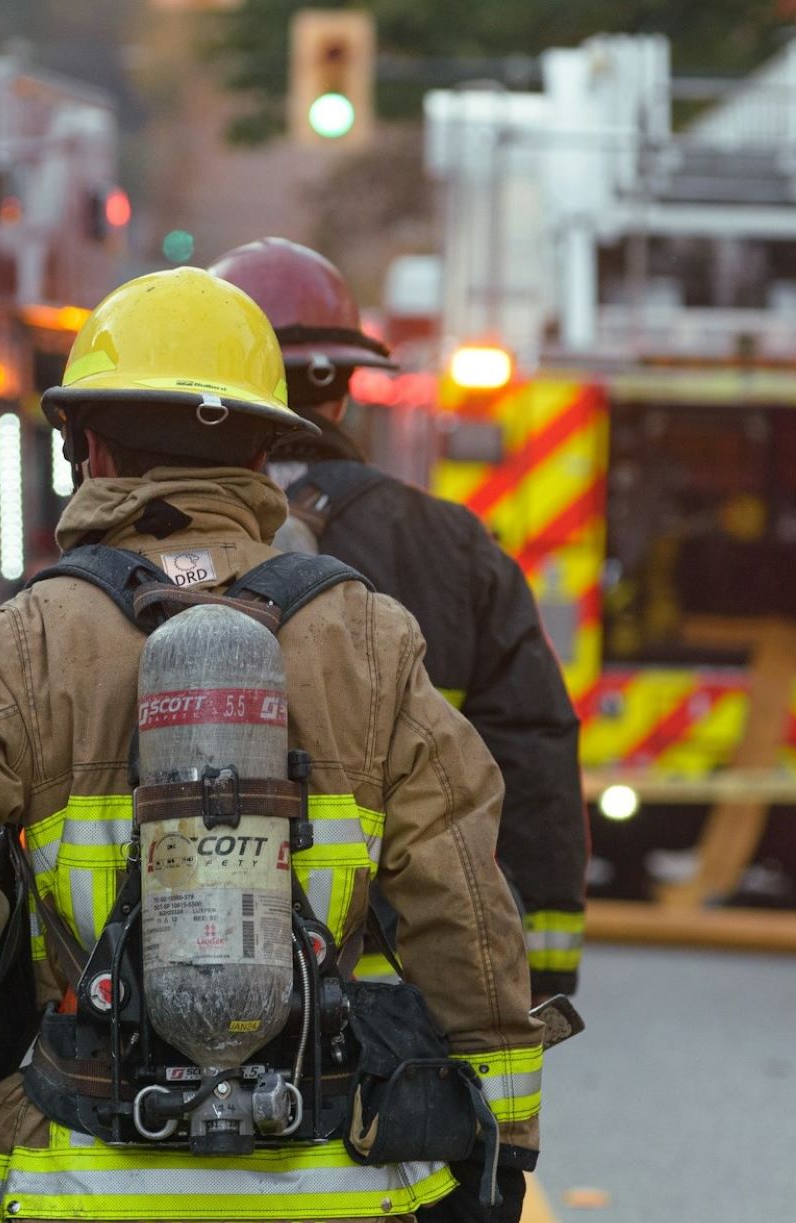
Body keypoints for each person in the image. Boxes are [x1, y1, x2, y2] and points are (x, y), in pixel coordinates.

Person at [0, 267, 549, 1223]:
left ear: (90, 441)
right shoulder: (365, 633)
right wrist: (504, 1137)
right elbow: (467, 903)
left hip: (97, 1212)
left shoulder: (22, 641)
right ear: (270, 451)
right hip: (323, 1200)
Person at [213, 237, 589, 1011]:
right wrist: (541, 961)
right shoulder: (454, 547)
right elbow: (533, 747)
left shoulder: (151, 538)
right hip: (405, 1001)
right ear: (344, 393)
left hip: (184, 976)